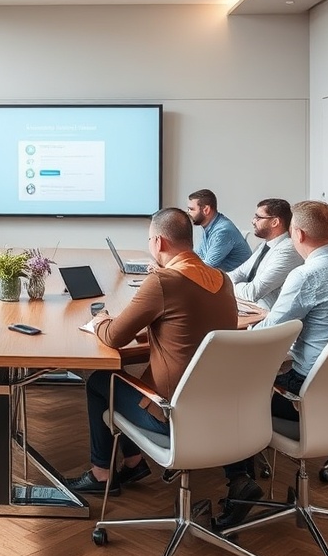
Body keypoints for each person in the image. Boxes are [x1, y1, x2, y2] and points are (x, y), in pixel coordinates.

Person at [214, 200, 328, 530]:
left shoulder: (305, 276)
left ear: (297, 233)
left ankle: (240, 485)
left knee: (228, 397)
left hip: (305, 396)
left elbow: (269, 336)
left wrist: (223, 338)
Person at [63, 207, 237, 496]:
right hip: (221, 410)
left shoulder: (163, 282)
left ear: (158, 242)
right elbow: (186, 324)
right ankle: (133, 463)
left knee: (99, 381)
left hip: (174, 417)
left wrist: (101, 319)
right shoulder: (221, 278)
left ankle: (101, 474)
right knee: (125, 381)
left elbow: (114, 337)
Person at [226, 198, 303, 309]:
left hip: (265, 314)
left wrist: (228, 286)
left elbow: (253, 293)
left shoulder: (288, 250)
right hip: (247, 304)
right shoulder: (265, 245)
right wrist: (227, 284)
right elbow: (240, 273)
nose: (253, 221)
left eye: (258, 217)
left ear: (275, 222)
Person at [186, 188, 251, 271]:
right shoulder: (209, 226)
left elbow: (207, 267)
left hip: (233, 281)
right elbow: (199, 256)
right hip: (221, 277)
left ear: (206, 210)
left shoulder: (222, 231)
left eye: (191, 209)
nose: (188, 213)